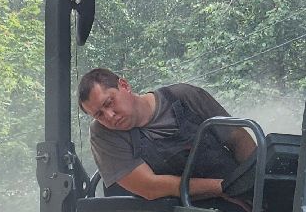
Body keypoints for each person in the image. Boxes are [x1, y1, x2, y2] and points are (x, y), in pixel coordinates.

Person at [78, 68, 256, 203]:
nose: (109, 116)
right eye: (99, 114)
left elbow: (238, 138)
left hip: (242, 193)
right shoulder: (104, 135)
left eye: (109, 102)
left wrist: (254, 183)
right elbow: (150, 187)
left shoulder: (186, 96)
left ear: (124, 86)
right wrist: (223, 188)